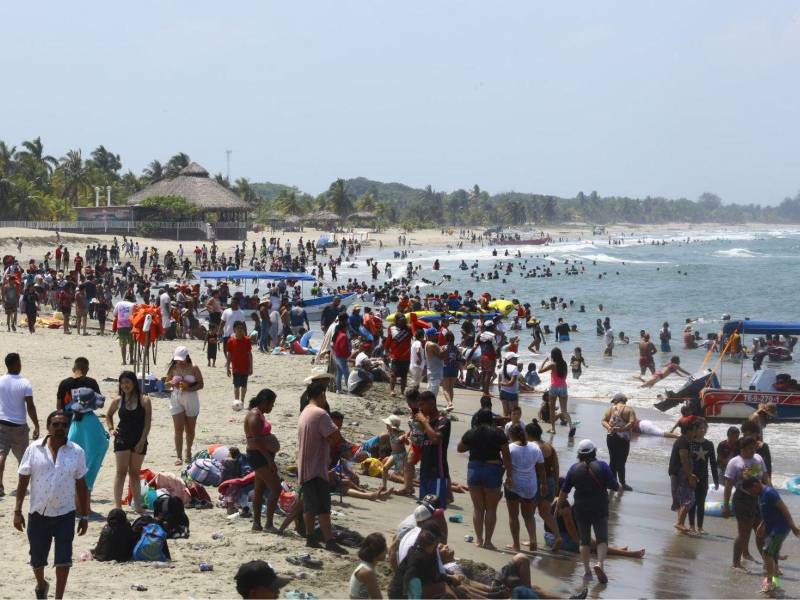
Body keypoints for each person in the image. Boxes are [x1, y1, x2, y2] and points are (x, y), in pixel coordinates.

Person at [14, 410, 90, 600]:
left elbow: (82, 485)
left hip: (65, 514)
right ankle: (41, 584)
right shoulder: (33, 449)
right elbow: (23, 480)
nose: (60, 428)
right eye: (55, 424)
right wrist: (17, 510)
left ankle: (58, 598)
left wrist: (84, 515)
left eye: (64, 425)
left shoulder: (77, 452)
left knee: (63, 560)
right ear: (48, 427)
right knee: (37, 559)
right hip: (38, 513)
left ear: (68, 427)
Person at [557, 439, 619, 584]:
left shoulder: (574, 469)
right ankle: (600, 564)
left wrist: (558, 506)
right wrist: (618, 485)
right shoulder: (603, 466)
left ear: (579, 454)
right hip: (599, 506)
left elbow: (564, 491)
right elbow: (614, 486)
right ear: (594, 452)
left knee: (584, 540)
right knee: (602, 538)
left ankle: (587, 572)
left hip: (580, 508)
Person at [297, 381, 348, 554]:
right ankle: (329, 540)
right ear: (321, 395)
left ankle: (311, 537)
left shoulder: (305, 411)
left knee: (310, 505)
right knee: (323, 507)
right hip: (317, 466)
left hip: (305, 464)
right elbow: (335, 436)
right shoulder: (320, 413)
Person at [457, 408, 511, 549]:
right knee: (491, 509)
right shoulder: (498, 433)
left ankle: (479, 540)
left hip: (474, 469)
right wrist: (510, 475)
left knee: (478, 508)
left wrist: (473, 445)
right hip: (492, 469)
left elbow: (460, 448)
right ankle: (488, 541)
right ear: (491, 419)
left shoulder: (472, 432)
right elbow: (506, 455)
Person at [741, 477, 800, 594]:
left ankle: (770, 582)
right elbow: (767, 511)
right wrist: (761, 525)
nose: (751, 494)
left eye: (751, 491)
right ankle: (773, 577)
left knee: (767, 552)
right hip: (771, 527)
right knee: (771, 553)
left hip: (780, 528)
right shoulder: (760, 495)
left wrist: (793, 526)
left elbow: (784, 510)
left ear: (756, 484)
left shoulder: (769, 493)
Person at [105, 371, 151, 512]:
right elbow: (108, 415)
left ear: (134, 383)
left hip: (139, 438)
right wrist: (111, 429)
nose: (125, 385)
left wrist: (142, 440)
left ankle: (137, 506)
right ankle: (117, 506)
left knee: (135, 473)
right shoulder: (118, 400)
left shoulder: (144, 400)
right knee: (121, 472)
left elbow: (147, 422)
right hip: (122, 438)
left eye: (128, 382)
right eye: (122, 383)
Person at [722, 436, 769, 569]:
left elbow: (765, 476)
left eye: (754, 448)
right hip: (742, 499)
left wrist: (771, 492)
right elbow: (728, 485)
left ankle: (767, 563)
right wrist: (726, 506)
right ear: (742, 449)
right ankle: (735, 563)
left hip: (758, 499)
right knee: (744, 533)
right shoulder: (735, 462)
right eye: (749, 448)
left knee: (761, 532)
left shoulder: (758, 458)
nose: (752, 450)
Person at [0, 352, 39, 497]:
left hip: (1, 423)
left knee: (1, 454)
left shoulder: (0, 380)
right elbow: (30, 406)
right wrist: (36, 425)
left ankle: (0, 485)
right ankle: (21, 486)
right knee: (23, 457)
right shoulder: (25, 383)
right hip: (19, 425)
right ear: (17, 364)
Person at [504, 423, 547, 552]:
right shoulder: (534, 447)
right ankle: (533, 539)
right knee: (528, 515)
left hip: (513, 484)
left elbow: (504, 466)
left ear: (511, 435)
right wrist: (544, 484)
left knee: (513, 515)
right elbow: (541, 469)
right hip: (530, 486)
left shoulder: (509, 448)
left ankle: (516, 544)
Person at [245, 389, 282, 532]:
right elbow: (258, 441)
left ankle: (257, 523)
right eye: (272, 404)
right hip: (259, 456)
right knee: (276, 488)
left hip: (260, 455)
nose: (272, 407)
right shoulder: (255, 417)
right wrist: (270, 460)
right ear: (265, 402)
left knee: (259, 489)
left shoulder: (258, 414)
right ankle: (269, 524)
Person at [164, 346, 204, 464]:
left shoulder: (194, 368)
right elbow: (166, 384)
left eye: (181, 360)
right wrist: (171, 383)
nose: (179, 362)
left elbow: (201, 384)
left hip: (191, 399)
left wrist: (188, 387)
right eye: (177, 360)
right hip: (176, 398)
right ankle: (178, 456)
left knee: (190, 430)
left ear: (187, 357)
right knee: (178, 429)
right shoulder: (173, 368)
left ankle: (188, 452)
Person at [416, 390, 451, 509]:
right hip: (424, 470)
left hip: (437, 472)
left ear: (431, 404)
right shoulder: (427, 423)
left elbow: (436, 439)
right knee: (423, 509)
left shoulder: (443, 421)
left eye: (422, 405)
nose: (420, 409)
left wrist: (425, 422)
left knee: (436, 510)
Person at [687, 418, 718, 534]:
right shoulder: (690, 443)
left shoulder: (709, 444)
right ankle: (691, 526)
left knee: (701, 502)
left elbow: (713, 463)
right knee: (692, 502)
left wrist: (715, 480)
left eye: (705, 428)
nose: (703, 430)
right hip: (692, 476)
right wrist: (687, 476)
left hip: (704, 476)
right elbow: (685, 461)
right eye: (700, 428)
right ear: (695, 429)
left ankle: (700, 527)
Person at [600, 393, 634, 491]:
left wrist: (610, 427)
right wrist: (621, 429)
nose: (613, 402)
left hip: (611, 437)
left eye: (614, 401)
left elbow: (603, 421)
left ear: (616, 400)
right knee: (621, 461)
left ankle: (612, 482)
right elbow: (632, 422)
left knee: (613, 460)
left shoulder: (611, 409)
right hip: (623, 439)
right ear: (624, 400)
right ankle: (622, 484)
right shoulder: (629, 409)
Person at [539, 348, 575, 437]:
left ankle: (553, 429)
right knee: (564, 410)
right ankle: (571, 426)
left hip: (554, 387)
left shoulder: (552, 365)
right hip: (563, 387)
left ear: (553, 355)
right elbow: (565, 377)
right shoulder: (564, 364)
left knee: (552, 409)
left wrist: (544, 361)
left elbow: (540, 370)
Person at [350, 532, 387, 599]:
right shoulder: (367, 572)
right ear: (377, 551)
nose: (386, 551)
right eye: (384, 549)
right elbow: (377, 598)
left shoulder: (365, 566)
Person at [226, 321, 253, 409]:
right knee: (236, 386)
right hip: (235, 368)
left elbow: (249, 354)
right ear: (234, 330)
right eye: (238, 328)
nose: (240, 330)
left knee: (244, 386)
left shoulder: (247, 340)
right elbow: (229, 355)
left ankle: (242, 400)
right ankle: (237, 401)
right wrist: (227, 368)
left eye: (241, 328)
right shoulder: (231, 341)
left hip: (245, 367)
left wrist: (251, 367)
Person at [384, 313, 412, 396]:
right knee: (393, 374)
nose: (403, 322)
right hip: (395, 356)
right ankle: (392, 390)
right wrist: (386, 351)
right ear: (397, 321)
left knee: (404, 376)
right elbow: (389, 340)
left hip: (406, 356)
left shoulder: (409, 329)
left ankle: (402, 392)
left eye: (404, 320)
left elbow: (416, 334)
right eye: (401, 320)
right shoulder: (392, 329)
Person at [111, 292, 135, 365]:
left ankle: (124, 361)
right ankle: (131, 360)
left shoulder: (119, 303)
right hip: (130, 326)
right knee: (131, 344)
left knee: (123, 344)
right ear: (131, 299)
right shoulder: (133, 305)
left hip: (121, 326)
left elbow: (114, 314)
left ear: (125, 298)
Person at [498, 352, 525, 417]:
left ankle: (506, 426)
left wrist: (501, 390)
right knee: (513, 413)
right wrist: (504, 384)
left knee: (505, 412)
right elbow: (511, 383)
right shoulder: (514, 368)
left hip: (503, 392)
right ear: (511, 360)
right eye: (515, 358)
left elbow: (499, 382)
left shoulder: (502, 367)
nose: (516, 360)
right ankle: (511, 426)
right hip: (512, 393)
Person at [440, 331, 461, 410]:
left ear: (446, 339)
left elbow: (440, 358)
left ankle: (449, 403)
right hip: (455, 369)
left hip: (446, 368)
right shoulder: (457, 348)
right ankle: (449, 405)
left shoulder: (443, 347)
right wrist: (461, 372)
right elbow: (460, 360)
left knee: (445, 388)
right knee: (451, 388)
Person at [332, 317, 352, 394]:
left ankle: (338, 389)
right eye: (347, 327)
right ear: (344, 327)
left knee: (339, 373)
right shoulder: (343, 336)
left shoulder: (338, 334)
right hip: (341, 357)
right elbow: (343, 348)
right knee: (346, 373)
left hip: (337, 356)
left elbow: (336, 346)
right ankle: (349, 390)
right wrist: (348, 354)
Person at [425, 329, 444, 399]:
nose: (437, 336)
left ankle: (427, 407)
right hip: (435, 372)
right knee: (433, 393)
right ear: (430, 336)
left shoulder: (428, 343)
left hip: (432, 370)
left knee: (430, 390)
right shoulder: (432, 345)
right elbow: (442, 356)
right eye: (435, 335)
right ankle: (429, 407)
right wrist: (446, 349)